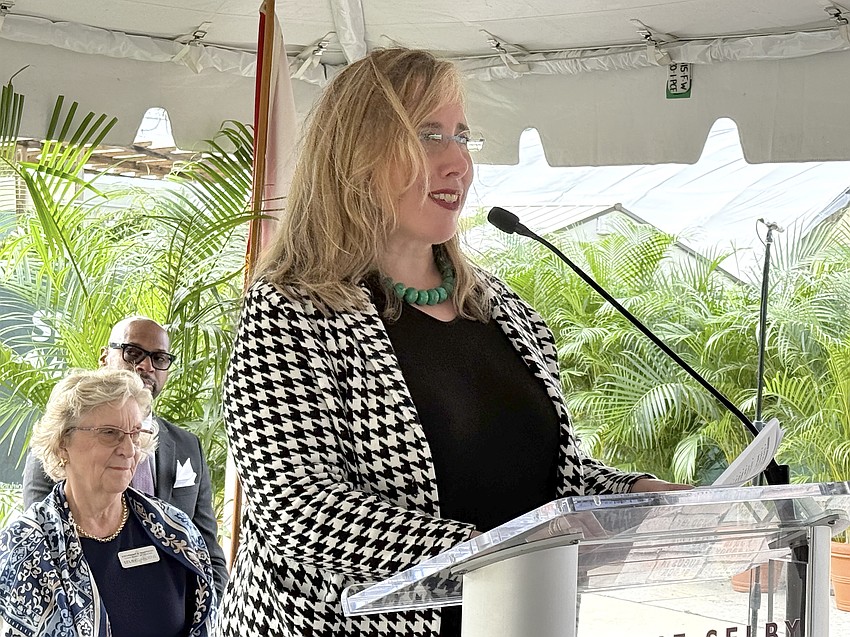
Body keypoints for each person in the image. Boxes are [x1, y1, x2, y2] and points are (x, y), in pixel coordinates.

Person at [219, 47, 688, 637]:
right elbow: (300, 513)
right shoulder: (291, 308)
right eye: (428, 135)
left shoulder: (505, 312)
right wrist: (493, 551)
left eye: (463, 137)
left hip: (519, 620)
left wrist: (633, 496)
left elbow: (546, 479)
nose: (457, 164)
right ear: (353, 155)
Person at [22, 317, 229, 599]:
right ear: (105, 358)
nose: (146, 366)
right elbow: (42, 540)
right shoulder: (63, 436)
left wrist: (207, 617)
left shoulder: (187, 446)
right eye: (133, 352)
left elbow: (207, 550)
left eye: (159, 358)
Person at [0, 368, 216, 635]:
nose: (128, 450)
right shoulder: (25, 547)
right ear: (62, 443)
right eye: (110, 433)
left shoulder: (176, 532)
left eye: (135, 434)